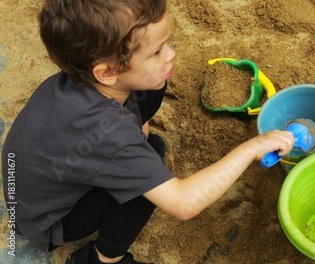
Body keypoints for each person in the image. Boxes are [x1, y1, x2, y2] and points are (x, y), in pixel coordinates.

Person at [1, 1, 294, 263]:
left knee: (154, 85)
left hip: (41, 178)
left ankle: (137, 133)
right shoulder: (108, 136)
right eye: (156, 51)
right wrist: (250, 149)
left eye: (166, 44)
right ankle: (102, 258)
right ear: (106, 72)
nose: (171, 54)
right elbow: (183, 203)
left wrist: (134, 130)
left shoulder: (80, 79)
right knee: (144, 185)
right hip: (49, 220)